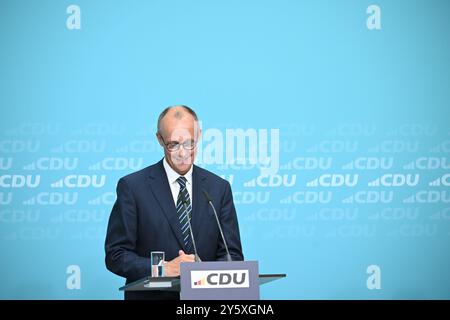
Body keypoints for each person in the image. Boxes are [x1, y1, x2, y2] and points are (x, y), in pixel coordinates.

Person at [105, 105, 244, 300]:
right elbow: (116, 255)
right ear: (160, 139)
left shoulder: (218, 188)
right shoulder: (133, 187)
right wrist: (162, 269)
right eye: (173, 144)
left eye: (190, 143)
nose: (183, 152)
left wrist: (203, 274)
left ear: (199, 135)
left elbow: (233, 257)